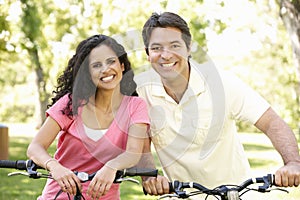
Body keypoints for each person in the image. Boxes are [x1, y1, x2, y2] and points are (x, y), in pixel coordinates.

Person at [134, 11, 300, 198]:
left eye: (174, 45)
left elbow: (270, 121)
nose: (166, 55)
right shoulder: (140, 91)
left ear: (189, 48)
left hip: (236, 194)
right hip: (182, 195)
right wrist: (148, 177)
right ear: (148, 54)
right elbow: (141, 141)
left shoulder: (221, 82)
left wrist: (293, 162)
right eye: (156, 48)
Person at [27, 34, 150, 200]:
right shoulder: (72, 103)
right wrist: (54, 167)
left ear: (122, 66)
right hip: (59, 196)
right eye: (97, 65)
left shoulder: (136, 106)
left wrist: (111, 166)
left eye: (111, 61)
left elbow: (133, 153)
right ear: (88, 73)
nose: (105, 69)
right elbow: (35, 147)